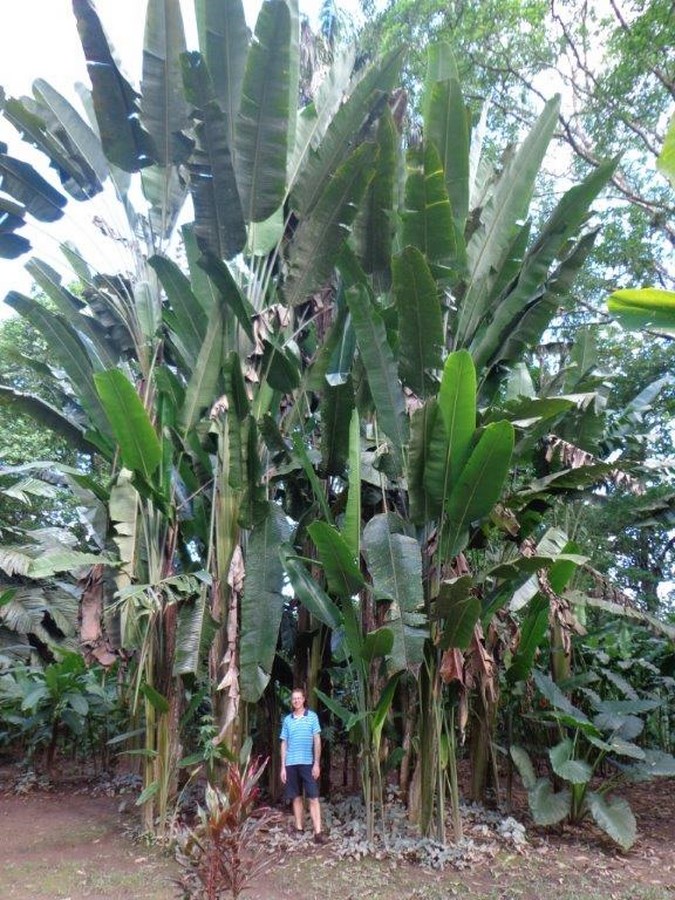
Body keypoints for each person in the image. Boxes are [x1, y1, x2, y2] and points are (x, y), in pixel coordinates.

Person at [280, 686, 328, 844]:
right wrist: (282, 766)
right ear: (292, 701)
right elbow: (284, 743)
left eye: (299, 698)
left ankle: (318, 833)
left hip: (308, 763)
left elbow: (317, 740)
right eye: (294, 699)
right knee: (296, 797)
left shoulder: (312, 717)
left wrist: (316, 763)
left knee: (313, 797)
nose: (296, 701)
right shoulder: (288, 720)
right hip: (291, 763)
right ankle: (299, 828)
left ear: (304, 699)